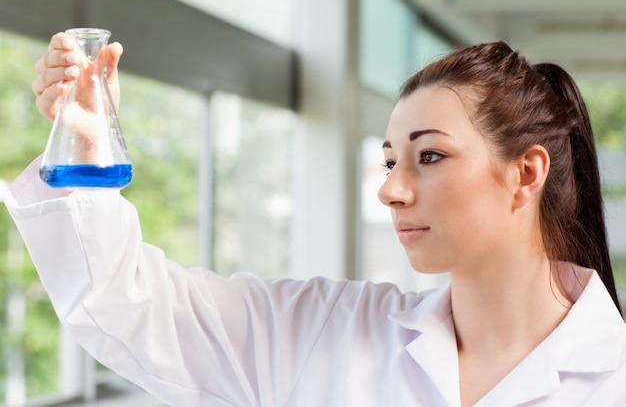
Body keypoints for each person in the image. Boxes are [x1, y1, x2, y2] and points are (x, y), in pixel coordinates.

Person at [5, 33, 626, 407]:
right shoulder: (323, 334)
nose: (391, 190)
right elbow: (131, 306)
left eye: (429, 156)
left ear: (526, 173)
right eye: (388, 161)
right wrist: (86, 148)